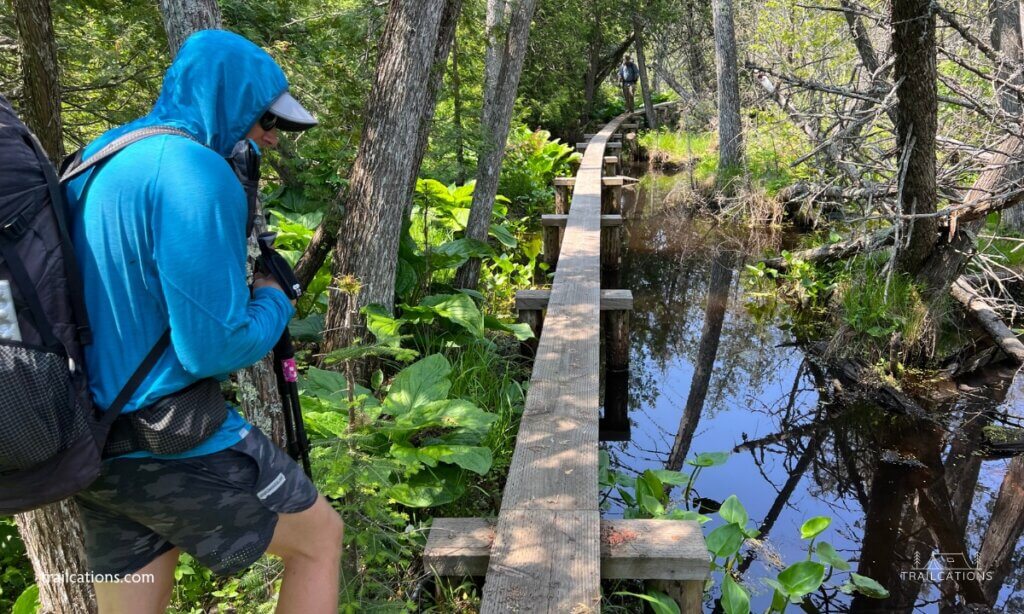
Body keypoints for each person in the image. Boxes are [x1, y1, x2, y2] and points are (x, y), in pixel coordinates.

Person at [65, 30, 343, 613]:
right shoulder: (194, 170)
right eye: (268, 119)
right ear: (230, 102)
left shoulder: (102, 155)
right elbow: (211, 348)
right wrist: (273, 300)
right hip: (172, 438)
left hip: (93, 446)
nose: (271, 136)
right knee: (318, 541)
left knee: (137, 591)